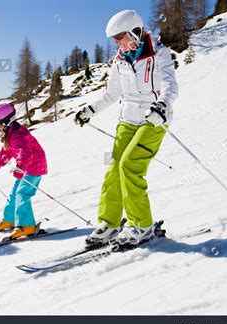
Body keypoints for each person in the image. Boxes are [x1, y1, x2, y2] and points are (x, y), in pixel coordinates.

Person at [75, 9, 178, 245]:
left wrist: (162, 106)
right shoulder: (120, 60)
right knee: (114, 171)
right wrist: (90, 110)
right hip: (127, 120)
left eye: (120, 36)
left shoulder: (159, 54)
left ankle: (142, 226)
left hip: (153, 118)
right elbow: (112, 93)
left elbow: (171, 86)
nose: (117, 42)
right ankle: (109, 224)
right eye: (114, 39)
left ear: (135, 30)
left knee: (129, 166)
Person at [0, 103, 47, 239]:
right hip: (25, 168)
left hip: (35, 166)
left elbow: (25, 152)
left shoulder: (19, 135)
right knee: (15, 193)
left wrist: (20, 167)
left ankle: (26, 226)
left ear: (6, 121)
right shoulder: (9, 136)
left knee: (22, 193)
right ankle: (10, 219)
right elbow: (2, 157)